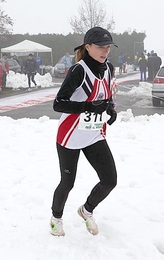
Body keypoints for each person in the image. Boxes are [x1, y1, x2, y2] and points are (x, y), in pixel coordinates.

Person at [50, 26, 118, 237]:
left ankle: (86, 210)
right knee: (67, 183)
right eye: (100, 47)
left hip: (93, 133)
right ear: (87, 47)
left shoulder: (109, 68)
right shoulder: (79, 70)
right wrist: (88, 107)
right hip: (70, 135)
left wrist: (110, 108)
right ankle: (56, 218)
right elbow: (58, 104)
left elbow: (104, 95)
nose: (105, 51)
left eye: (108, 47)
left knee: (110, 180)